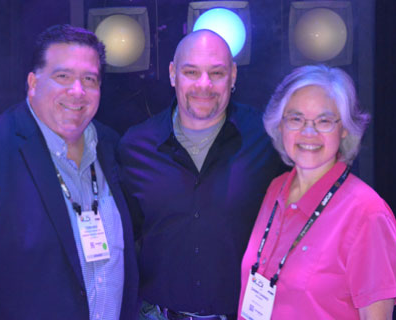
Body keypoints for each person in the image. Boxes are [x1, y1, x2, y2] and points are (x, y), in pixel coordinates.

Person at [0, 24, 138, 320]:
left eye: (89, 79)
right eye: (62, 76)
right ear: (33, 83)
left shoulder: (111, 146)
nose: (77, 91)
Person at [118, 30, 282, 320]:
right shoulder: (135, 146)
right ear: (172, 74)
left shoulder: (268, 140)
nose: (203, 85)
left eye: (216, 73)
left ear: (233, 75)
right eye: (191, 72)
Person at [238, 65, 396, 320]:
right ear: (280, 125)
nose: (308, 132)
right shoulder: (276, 188)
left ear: (344, 128)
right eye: (296, 118)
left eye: (324, 121)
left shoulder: (367, 214)